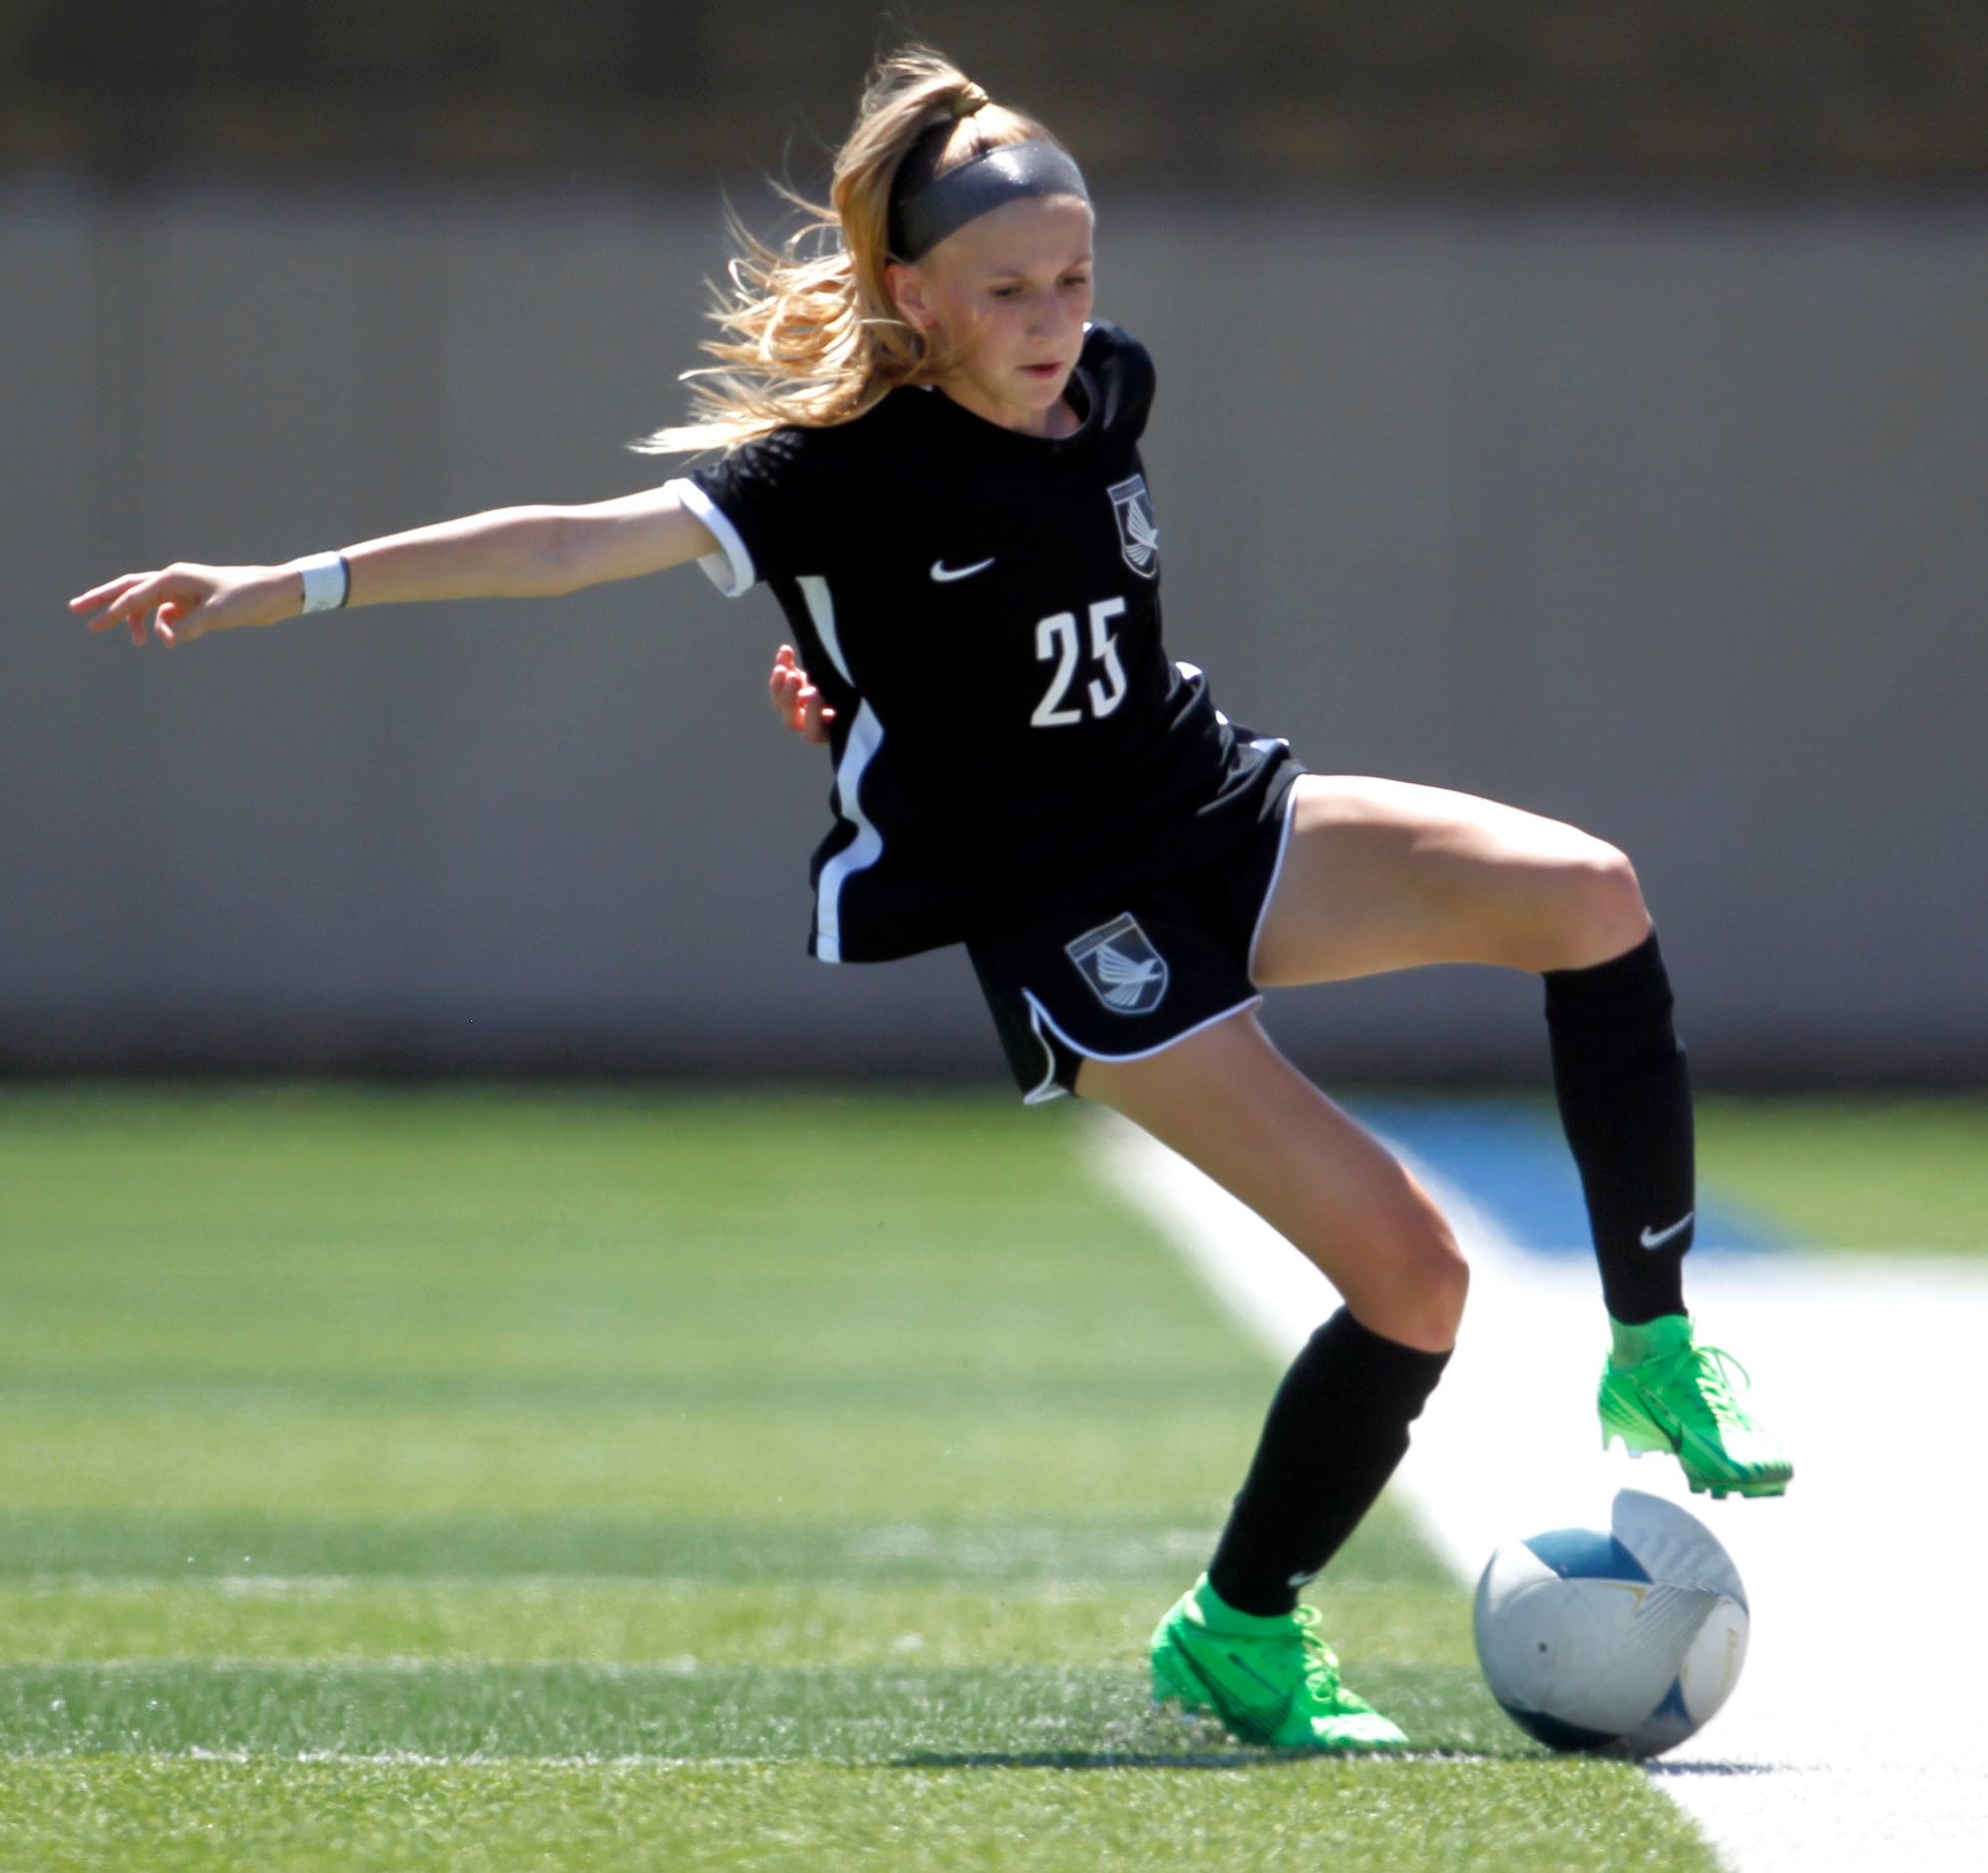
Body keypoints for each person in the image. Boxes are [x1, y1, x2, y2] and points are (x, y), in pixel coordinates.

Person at [70, 47, 1790, 1752]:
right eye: (1005, 288)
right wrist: (283, 586)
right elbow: (563, 542)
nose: (1051, 316)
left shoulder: (1108, 387)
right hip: (1061, 902)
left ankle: (1650, 1337)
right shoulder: (837, 469)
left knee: (1586, 889)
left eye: (1072, 275)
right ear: (911, 293)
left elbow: (1007, 623)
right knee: (1413, 1275)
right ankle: (1238, 1633)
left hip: (1202, 800)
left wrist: (851, 671)